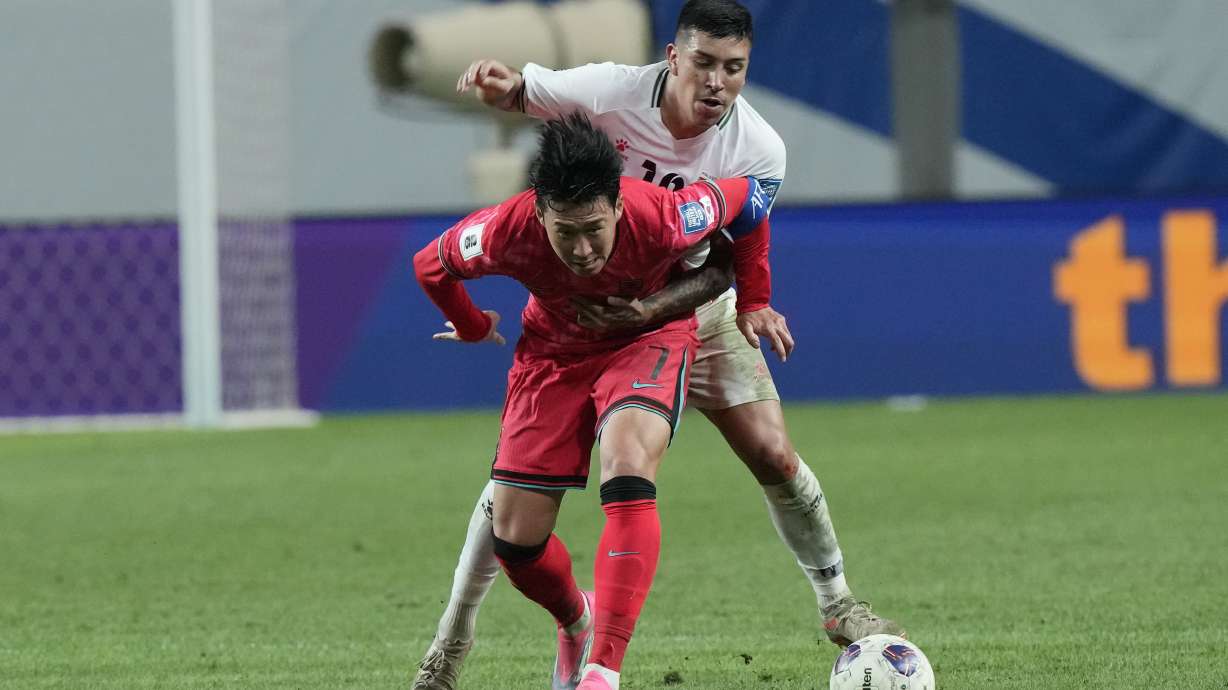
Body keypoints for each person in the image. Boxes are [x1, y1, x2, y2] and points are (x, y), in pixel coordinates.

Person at [413, 1, 904, 688]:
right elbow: (531, 91)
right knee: (512, 493)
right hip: (590, 308)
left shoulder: (757, 150)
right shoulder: (611, 92)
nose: (717, 82)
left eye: (734, 69)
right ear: (673, 57)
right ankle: (452, 639)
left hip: (688, 303)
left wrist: (735, 305)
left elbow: (731, 256)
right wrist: (504, 87)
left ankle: (838, 603)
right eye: (703, 62)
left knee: (770, 452)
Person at [414, 111, 775, 690]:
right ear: (539, 212)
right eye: (565, 232)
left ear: (617, 205)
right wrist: (474, 325)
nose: (582, 249)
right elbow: (431, 266)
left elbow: (752, 200)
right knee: (515, 541)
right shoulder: (506, 228)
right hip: (553, 355)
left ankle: (602, 672)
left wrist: (755, 297)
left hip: (645, 340)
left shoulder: (664, 214)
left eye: (593, 229)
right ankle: (576, 621)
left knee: (629, 465)